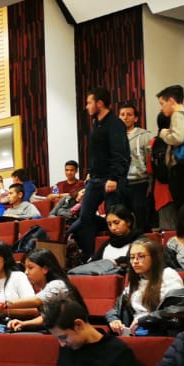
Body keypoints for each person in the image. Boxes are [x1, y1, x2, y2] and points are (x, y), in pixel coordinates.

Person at [69, 87, 130, 259]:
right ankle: (92, 257)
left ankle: (117, 254)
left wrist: (114, 177)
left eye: (89, 102)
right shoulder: (96, 123)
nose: (87, 106)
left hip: (111, 179)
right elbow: (98, 154)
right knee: (85, 217)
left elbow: (120, 153)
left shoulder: (115, 123)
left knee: (114, 219)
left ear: (100, 103)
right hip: (95, 179)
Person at [106, 237, 184, 335]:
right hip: (135, 331)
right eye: (132, 257)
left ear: (154, 258)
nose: (135, 261)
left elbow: (177, 308)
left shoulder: (168, 275)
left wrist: (145, 320)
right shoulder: (135, 280)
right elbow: (117, 307)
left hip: (160, 331)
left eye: (141, 256)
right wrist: (114, 319)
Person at [7, 249, 85, 333]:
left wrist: (1, 306)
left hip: (75, 333)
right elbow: (46, 317)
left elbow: (36, 301)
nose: (26, 272)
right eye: (25, 268)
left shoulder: (57, 285)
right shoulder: (45, 287)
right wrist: (24, 323)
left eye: (30, 268)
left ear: (45, 269)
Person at [155, 84, 184, 209]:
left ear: (172, 101)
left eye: (162, 103)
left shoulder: (177, 115)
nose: (161, 108)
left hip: (181, 168)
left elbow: (178, 138)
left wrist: (164, 134)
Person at [118, 103, 154, 230]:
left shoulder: (145, 136)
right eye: (122, 115)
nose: (125, 117)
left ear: (135, 118)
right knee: (123, 220)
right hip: (120, 184)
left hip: (140, 182)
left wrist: (150, 183)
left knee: (141, 219)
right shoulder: (113, 137)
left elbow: (151, 161)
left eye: (129, 114)